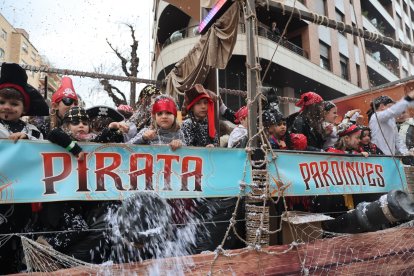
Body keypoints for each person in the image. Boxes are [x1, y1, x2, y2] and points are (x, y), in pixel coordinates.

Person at [48, 106, 124, 160]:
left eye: (85, 123)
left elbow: (100, 140)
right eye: (75, 123)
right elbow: (54, 133)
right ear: (67, 127)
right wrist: (75, 149)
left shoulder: (92, 138)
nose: (81, 125)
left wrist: (111, 128)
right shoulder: (62, 136)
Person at [0, 63, 49, 140]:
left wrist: (27, 138)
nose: (6, 107)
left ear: (24, 109)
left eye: (14, 104)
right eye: (1, 102)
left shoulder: (34, 132)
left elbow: (40, 148)